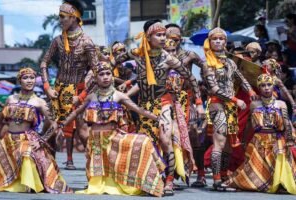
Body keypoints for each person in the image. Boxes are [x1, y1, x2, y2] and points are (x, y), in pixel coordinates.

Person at [111, 19, 204, 195]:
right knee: (147, 143)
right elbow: (112, 62)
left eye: (164, 35)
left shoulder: (168, 58)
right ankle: (150, 178)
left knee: (165, 139)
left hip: (164, 104)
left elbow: (191, 79)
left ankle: (169, 181)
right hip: (144, 105)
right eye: (159, 35)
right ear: (148, 36)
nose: (163, 38)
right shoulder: (137, 54)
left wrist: (199, 103)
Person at [53, 62, 166, 197]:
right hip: (95, 140)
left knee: (144, 142)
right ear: (95, 78)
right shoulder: (91, 97)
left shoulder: (119, 96)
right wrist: (61, 124)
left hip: (113, 137)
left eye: (108, 74)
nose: (105, 77)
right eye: (101, 74)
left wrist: (158, 118)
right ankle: (100, 185)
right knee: (98, 169)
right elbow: (75, 113)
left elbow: (139, 110)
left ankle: (149, 183)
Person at [40, 0, 98, 169]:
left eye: (63, 17)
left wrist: (81, 95)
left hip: (77, 92)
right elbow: (44, 63)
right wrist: (47, 87)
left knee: (82, 132)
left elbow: (96, 71)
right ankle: (47, 168)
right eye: (59, 17)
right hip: (57, 91)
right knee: (48, 128)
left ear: (74, 17)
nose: (60, 20)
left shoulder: (87, 42)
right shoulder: (57, 40)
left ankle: (96, 167)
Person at [0, 68, 72, 193]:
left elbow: (54, 124)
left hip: (26, 138)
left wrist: (41, 141)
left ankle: (30, 185)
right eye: (25, 78)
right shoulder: (11, 99)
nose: (29, 81)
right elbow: (1, 119)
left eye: (32, 78)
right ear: (20, 81)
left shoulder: (39, 102)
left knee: (27, 153)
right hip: (8, 139)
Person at [202, 27, 257, 190]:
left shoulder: (230, 62)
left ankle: (225, 175)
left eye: (221, 39)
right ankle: (217, 179)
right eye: (215, 39)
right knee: (219, 142)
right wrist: (235, 99)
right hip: (217, 105)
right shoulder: (207, 64)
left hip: (231, 106)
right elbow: (214, 89)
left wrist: (251, 91)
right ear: (210, 42)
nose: (218, 41)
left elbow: (241, 78)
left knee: (227, 144)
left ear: (225, 42)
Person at [224, 74, 296, 194]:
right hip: (258, 139)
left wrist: (289, 139)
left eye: (269, 85)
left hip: (277, 138)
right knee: (254, 167)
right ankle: (263, 184)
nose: (266, 88)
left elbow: (286, 123)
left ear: (273, 86)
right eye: (263, 85)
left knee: (280, 156)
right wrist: (245, 140)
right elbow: (248, 124)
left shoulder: (281, 104)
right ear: (259, 87)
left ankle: (280, 183)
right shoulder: (254, 105)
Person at [165, 23, 207, 187]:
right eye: (168, 38)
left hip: (186, 100)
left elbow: (203, 69)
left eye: (175, 38)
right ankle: (171, 175)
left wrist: (199, 102)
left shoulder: (189, 55)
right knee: (169, 137)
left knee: (194, 136)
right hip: (167, 100)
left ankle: (201, 174)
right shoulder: (160, 56)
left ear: (180, 39)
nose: (172, 41)